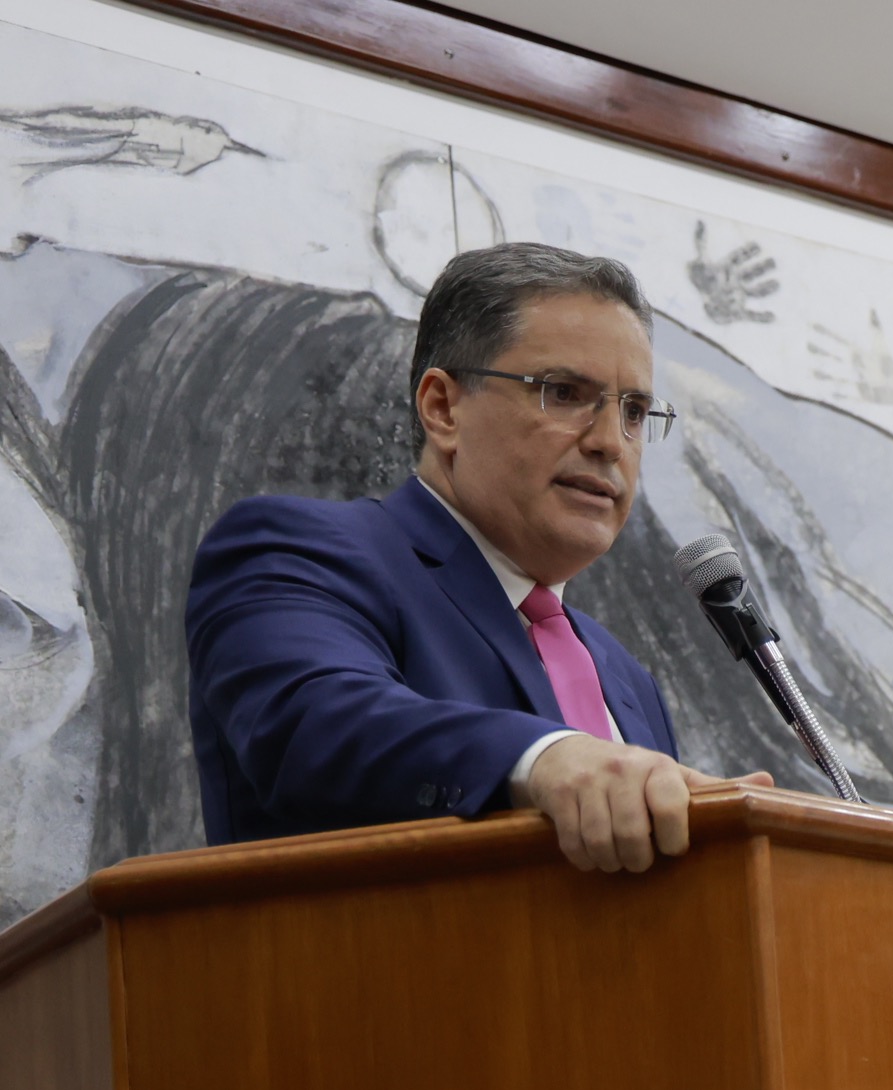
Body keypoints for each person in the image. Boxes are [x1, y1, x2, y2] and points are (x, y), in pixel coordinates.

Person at [186, 242, 758, 871]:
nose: (610, 443)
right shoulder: (301, 550)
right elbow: (312, 725)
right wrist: (544, 758)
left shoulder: (625, 678)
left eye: (635, 411)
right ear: (443, 408)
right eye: (565, 393)